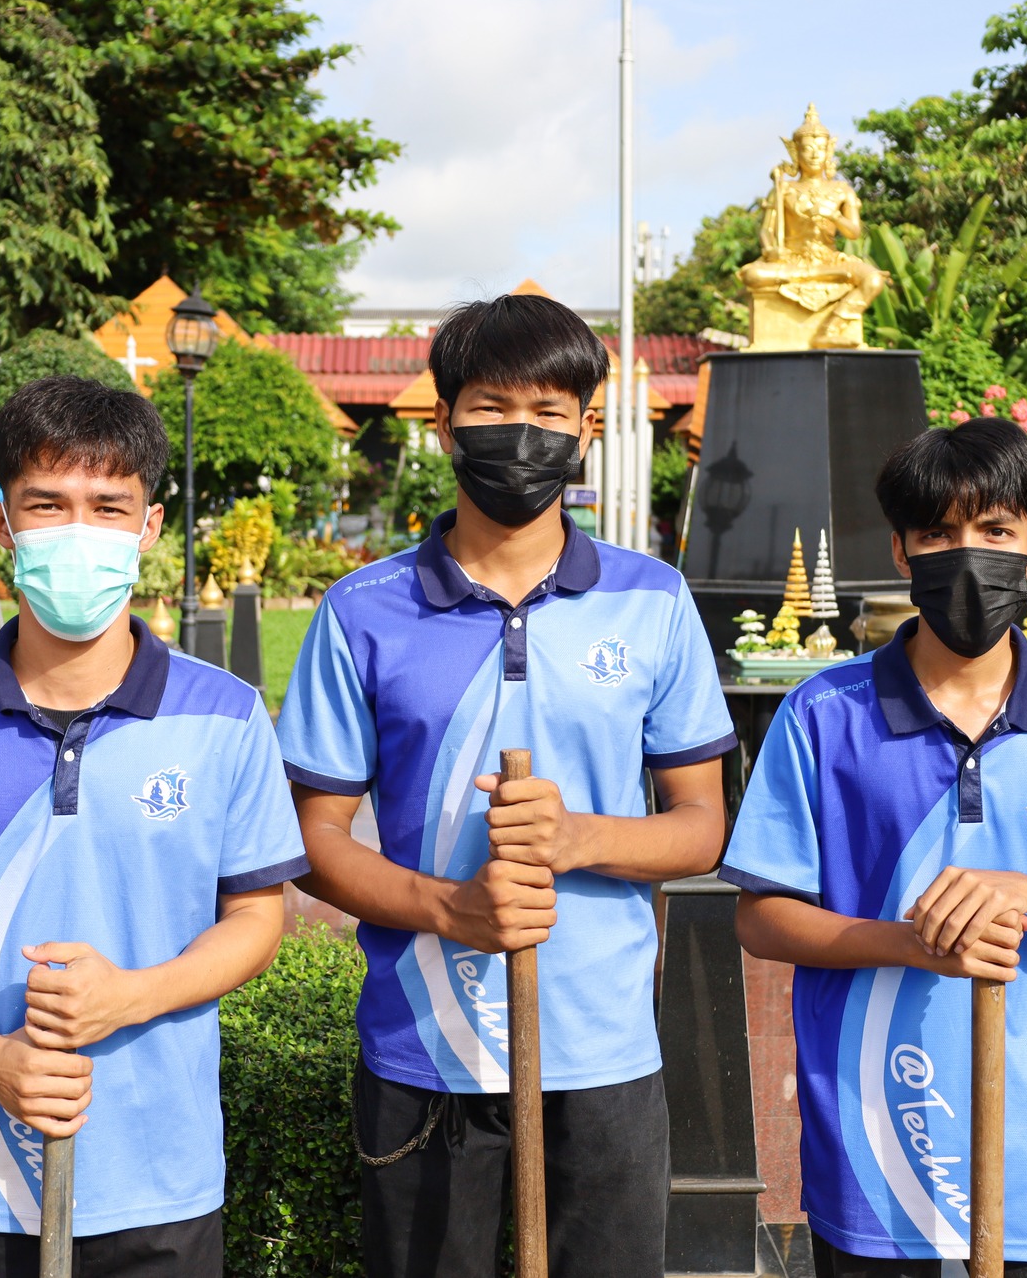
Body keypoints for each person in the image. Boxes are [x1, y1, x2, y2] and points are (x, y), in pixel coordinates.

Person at [275, 293, 736, 1278]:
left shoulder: (650, 602)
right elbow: (311, 841)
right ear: (441, 424)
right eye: (488, 407)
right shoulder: (362, 612)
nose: (519, 432)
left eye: (548, 410)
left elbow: (700, 827)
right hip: (424, 1055)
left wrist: (579, 839)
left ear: (585, 429)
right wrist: (451, 907)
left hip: (602, 1053)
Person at [0, 376, 308, 1278]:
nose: (78, 529)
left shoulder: (227, 716)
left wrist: (134, 994)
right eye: (47, 504)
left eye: (107, 505)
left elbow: (258, 915)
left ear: (151, 527)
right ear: (2, 524)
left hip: (162, 1178)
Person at [719, 417, 1027, 1278]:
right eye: (938, 533)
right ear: (900, 550)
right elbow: (761, 918)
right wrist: (911, 942)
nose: (968, 554)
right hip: (874, 1153)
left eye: (997, 530)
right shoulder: (825, 715)